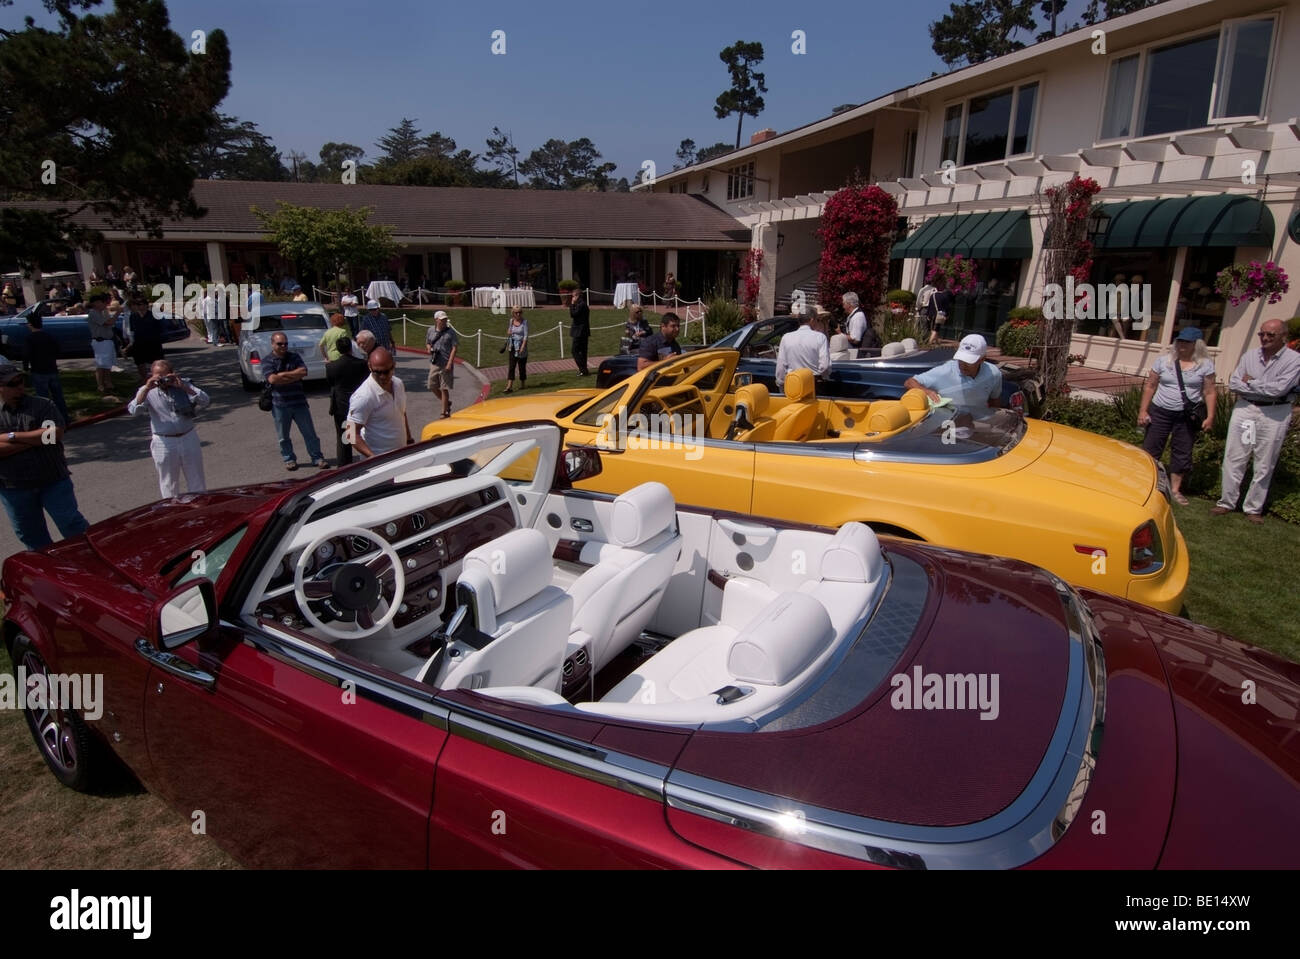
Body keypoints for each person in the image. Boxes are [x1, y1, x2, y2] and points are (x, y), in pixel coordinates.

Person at [1213, 318, 1300, 523]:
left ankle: (1253, 508)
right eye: (1262, 334)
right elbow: (1234, 382)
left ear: (1283, 336)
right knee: (1235, 456)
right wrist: (1260, 386)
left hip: (1274, 412)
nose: (1265, 338)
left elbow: (1279, 389)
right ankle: (1226, 502)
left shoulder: (1294, 360)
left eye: (1271, 335)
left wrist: (1250, 381)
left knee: (1264, 462)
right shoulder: (1250, 355)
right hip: (1247, 408)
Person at [0, 362, 89, 550]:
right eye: (13, 384)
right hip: (14, 487)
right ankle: (51, 570)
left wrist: (12, 437)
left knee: (71, 524)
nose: (20, 386)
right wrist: (36, 438)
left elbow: (53, 435)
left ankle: (91, 560)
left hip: (53, 480)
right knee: (30, 533)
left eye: (21, 381)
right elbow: (45, 437)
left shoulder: (42, 405)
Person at [1137, 328, 1216, 506]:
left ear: (1196, 345)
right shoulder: (1163, 362)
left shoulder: (1205, 365)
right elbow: (1150, 385)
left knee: (1182, 451)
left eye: (1186, 342)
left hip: (1186, 415)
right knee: (1151, 448)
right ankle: (1146, 485)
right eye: (1180, 341)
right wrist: (1143, 410)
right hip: (1160, 411)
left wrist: (1210, 416)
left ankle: (1174, 490)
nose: (1181, 345)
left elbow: (1210, 391)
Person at [128, 359, 210, 498]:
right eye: (157, 375)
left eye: (164, 375)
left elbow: (205, 401)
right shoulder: (147, 390)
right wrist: (147, 388)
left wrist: (184, 387)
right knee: (168, 482)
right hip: (164, 442)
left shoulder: (183, 384)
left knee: (196, 478)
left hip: (188, 437)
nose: (162, 380)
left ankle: (200, 508)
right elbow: (133, 410)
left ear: (172, 374)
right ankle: (171, 511)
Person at [263, 333, 328, 471]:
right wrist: (293, 375)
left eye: (285, 343)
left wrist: (282, 375)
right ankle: (289, 459)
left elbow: (304, 372)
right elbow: (272, 380)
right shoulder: (268, 360)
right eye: (280, 344)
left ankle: (317, 458)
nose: (283, 346)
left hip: (299, 402)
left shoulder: (294, 357)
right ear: (272, 344)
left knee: (310, 433)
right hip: (280, 404)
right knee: (283, 436)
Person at [904, 333, 1003, 412]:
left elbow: (994, 401)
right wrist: (927, 391)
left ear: (982, 360)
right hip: (949, 426)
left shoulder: (994, 373)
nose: (962, 365)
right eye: (960, 359)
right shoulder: (945, 370)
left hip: (978, 425)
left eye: (968, 361)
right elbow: (909, 382)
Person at [347, 347, 413, 459]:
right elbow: (350, 433)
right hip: (378, 462)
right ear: (369, 367)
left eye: (386, 371)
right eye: (377, 372)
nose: (382, 376)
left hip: (400, 455)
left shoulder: (398, 384)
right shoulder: (364, 396)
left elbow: (402, 413)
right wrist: (372, 457)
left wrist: (409, 439)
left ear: (394, 365)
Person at [326, 336, 370, 466]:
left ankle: (344, 465)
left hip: (341, 405)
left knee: (344, 437)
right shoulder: (362, 364)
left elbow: (331, 383)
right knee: (360, 433)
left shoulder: (332, 367)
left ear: (338, 350)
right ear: (351, 348)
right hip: (359, 404)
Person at [22, 314, 69, 422]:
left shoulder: (29, 339)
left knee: (43, 398)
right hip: (52, 369)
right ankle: (64, 418)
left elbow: (26, 355)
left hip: (38, 370)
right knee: (58, 396)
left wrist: (26, 368)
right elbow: (58, 351)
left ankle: (48, 419)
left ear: (30, 324)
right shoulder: (49, 337)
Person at [775, 311, 831, 384]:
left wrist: (781, 381)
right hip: (813, 381)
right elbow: (825, 366)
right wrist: (822, 377)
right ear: (811, 320)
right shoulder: (820, 337)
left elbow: (781, 365)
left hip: (793, 381)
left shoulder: (786, 337)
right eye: (817, 320)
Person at [84, 292, 118, 397]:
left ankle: (108, 383)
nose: (104, 304)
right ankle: (100, 385)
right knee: (101, 364)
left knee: (107, 364)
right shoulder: (93, 313)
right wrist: (117, 313)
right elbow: (108, 323)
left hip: (107, 341)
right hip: (100, 341)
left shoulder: (102, 313)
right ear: (96, 303)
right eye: (101, 302)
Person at [124, 294, 164, 382]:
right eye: (138, 305)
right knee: (140, 362)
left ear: (146, 305)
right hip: (139, 343)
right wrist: (130, 343)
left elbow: (159, 326)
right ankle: (144, 379)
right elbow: (132, 331)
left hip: (153, 342)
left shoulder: (153, 315)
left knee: (157, 362)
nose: (140, 306)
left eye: (142, 304)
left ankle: (158, 379)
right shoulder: (133, 316)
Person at [426, 310, 459, 418]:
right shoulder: (430, 330)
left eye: (445, 319)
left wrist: (450, 363)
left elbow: (454, 347)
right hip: (435, 362)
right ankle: (446, 403)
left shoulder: (450, 332)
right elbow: (428, 342)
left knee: (444, 388)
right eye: (442, 320)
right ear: (436, 320)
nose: (444, 321)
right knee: (432, 385)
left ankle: (444, 411)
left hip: (446, 363)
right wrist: (429, 349)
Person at [503, 308, 529, 393]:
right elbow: (509, 331)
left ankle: (523, 384)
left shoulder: (524, 322)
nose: (518, 314)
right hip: (513, 345)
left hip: (521, 346)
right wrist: (509, 332)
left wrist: (523, 346)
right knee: (512, 366)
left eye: (520, 312)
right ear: (513, 313)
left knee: (522, 366)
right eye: (516, 312)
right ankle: (509, 386)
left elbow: (525, 335)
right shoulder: (511, 321)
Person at [569, 287, 590, 376]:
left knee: (575, 351)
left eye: (573, 296)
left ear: (577, 296)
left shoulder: (581, 305)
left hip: (580, 331)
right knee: (582, 351)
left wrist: (572, 304)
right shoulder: (583, 304)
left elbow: (573, 314)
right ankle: (584, 370)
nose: (572, 298)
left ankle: (583, 369)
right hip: (583, 331)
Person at [929, 277, 953, 345]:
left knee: (933, 327)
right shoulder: (944, 296)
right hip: (939, 314)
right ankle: (929, 342)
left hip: (931, 314)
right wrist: (947, 315)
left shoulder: (932, 296)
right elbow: (946, 307)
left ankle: (936, 341)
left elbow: (930, 306)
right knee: (936, 328)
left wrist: (928, 314)